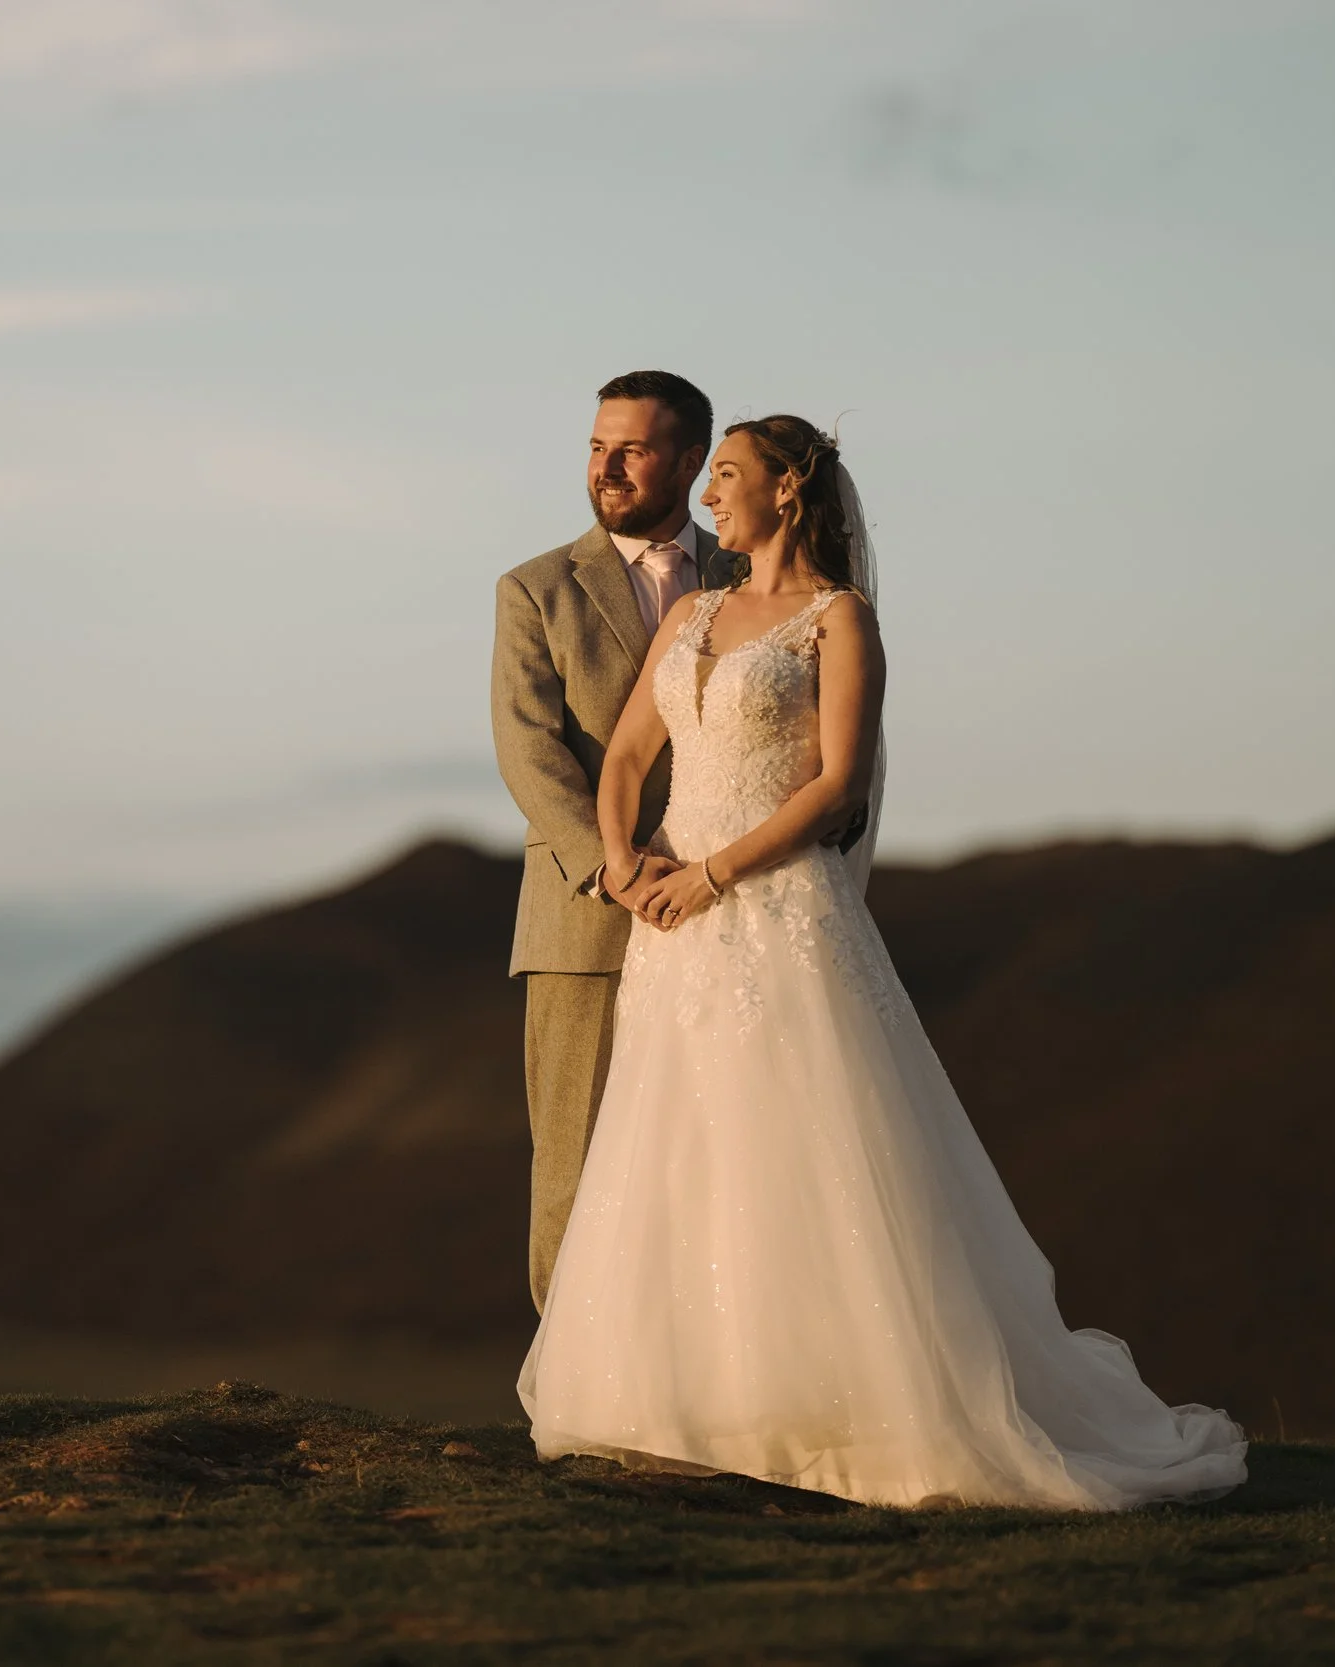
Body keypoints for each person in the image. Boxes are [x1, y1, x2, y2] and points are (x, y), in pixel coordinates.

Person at [515, 415, 1248, 1509]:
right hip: (670, 924)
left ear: (787, 491)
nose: (711, 495)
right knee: (680, 1147)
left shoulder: (838, 620)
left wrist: (712, 873)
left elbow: (837, 787)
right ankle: (689, 1400)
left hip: (771, 908)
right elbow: (625, 754)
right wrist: (625, 862)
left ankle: (837, 1400)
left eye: (728, 475)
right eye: (709, 475)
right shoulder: (698, 614)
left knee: (798, 1149)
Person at [490, 370, 728, 1315]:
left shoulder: (750, 579)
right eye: (597, 446)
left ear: (690, 460)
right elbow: (527, 748)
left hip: (723, 914)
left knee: (713, 1169)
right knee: (577, 1165)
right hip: (582, 925)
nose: (607, 466)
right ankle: (570, 1402)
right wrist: (613, 865)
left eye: (630, 448)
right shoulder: (536, 588)